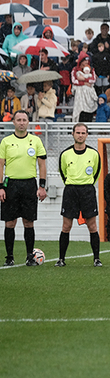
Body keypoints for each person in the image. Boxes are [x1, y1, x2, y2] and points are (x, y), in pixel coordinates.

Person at [0, 111, 47, 266]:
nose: (21, 122)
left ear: (28, 122)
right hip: (11, 185)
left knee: (28, 222)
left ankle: (29, 257)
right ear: (13, 122)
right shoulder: (6, 142)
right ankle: (9, 257)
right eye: (18, 120)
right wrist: (1, 187)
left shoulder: (36, 140)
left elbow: (42, 165)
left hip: (29, 184)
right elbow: (0, 165)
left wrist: (42, 186)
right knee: (10, 222)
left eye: (24, 120)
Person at [55, 123, 102, 266]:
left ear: (87, 135)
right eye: (78, 132)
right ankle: (61, 259)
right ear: (73, 134)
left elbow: (96, 173)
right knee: (66, 226)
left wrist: (85, 184)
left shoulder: (94, 154)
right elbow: (63, 173)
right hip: (71, 191)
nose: (80, 135)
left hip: (87, 191)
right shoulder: (65, 154)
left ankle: (96, 259)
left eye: (83, 133)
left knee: (92, 226)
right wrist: (72, 183)